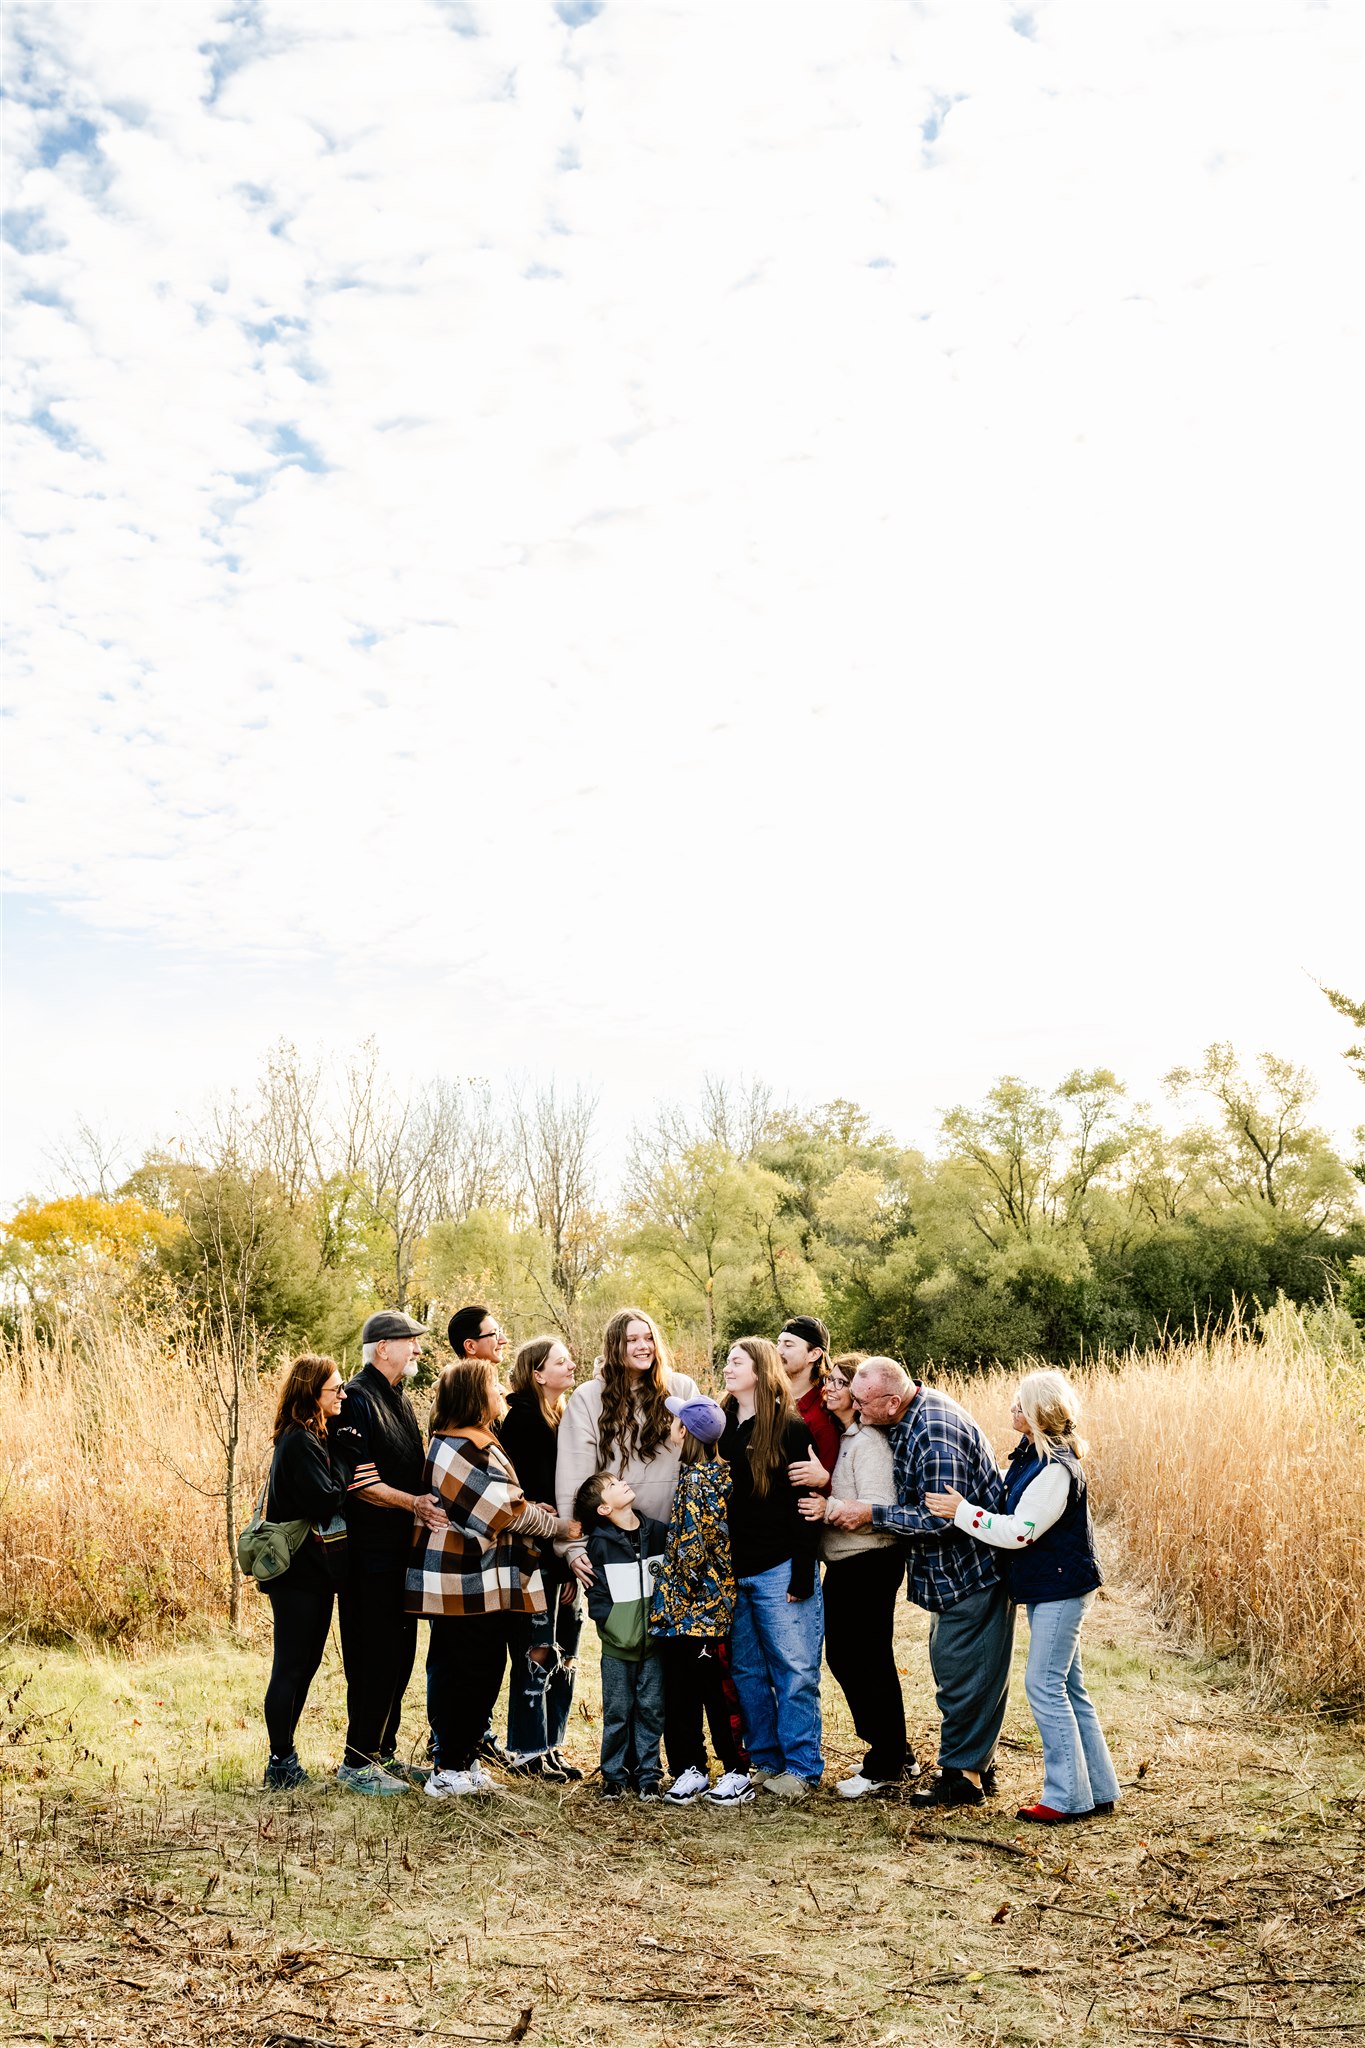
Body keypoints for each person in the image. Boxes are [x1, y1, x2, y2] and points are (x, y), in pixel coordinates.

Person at [926, 1369, 1119, 1825]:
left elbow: (1020, 1533)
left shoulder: (1055, 1470)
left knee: (1044, 1685)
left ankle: (1067, 1798)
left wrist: (963, 1513)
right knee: (1069, 1686)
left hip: (1061, 1590)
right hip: (1049, 1586)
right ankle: (1099, 1786)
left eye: (1019, 1405)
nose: (1011, 1410)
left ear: (1036, 1415)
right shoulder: (1033, 1456)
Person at [826, 1357, 1014, 1810]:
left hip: (971, 1570)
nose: (857, 1407)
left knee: (963, 1673)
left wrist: (872, 1514)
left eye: (864, 1402)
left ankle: (962, 1779)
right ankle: (974, 1768)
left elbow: (940, 1517)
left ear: (892, 1401)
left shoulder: (934, 1433)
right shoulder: (906, 1416)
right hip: (949, 1575)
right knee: (963, 1669)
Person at [407, 1358, 578, 1799]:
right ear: (473, 1397)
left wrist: (531, 1508)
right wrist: (555, 1526)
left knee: (480, 1669)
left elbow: (507, 1503)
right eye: (493, 1385)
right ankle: (449, 1767)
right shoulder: (458, 1446)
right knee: (464, 1670)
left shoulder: (474, 1441)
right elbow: (504, 1510)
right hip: (464, 1581)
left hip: (481, 1582)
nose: (502, 1390)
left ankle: (463, 1759)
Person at [332, 1309, 439, 1796]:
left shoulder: (397, 1396)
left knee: (399, 1654)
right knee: (372, 1654)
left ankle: (385, 1754)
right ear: (382, 1348)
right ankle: (357, 1763)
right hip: (368, 1555)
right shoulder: (355, 1399)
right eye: (409, 1341)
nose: (417, 1349)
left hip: (401, 1553)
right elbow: (361, 1482)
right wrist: (414, 1503)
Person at [797, 1357, 913, 1799]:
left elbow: (879, 1509)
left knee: (865, 1660)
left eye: (841, 1382)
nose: (830, 1388)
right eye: (828, 1380)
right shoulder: (840, 1438)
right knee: (850, 1659)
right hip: (844, 1563)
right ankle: (893, 1750)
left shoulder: (868, 1443)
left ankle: (885, 1762)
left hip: (870, 1560)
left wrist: (825, 1507)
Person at [719, 1337, 824, 1802]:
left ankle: (802, 1768)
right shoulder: (721, 1428)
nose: (727, 1368)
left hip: (780, 1566)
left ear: (760, 1371)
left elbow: (806, 1503)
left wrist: (803, 1570)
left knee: (795, 1670)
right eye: (726, 1361)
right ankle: (764, 1761)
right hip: (734, 1570)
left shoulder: (788, 1428)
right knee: (747, 1672)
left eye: (736, 1362)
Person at [646, 1395, 750, 1807]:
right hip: (693, 1611)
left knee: (705, 1691)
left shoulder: (696, 1482)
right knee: (689, 1689)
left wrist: (673, 1598)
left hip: (695, 1612)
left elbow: (694, 1548)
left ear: (684, 1432)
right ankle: (691, 1769)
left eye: (675, 1422)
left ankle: (735, 1769)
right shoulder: (721, 1474)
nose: (671, 1427)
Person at [555, 1308, 700, 1588]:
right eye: (632, 1340)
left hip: (678, 1534)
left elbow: (703, 1459)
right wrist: (573, 1545)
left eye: (648, 1338)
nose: (643, 1346)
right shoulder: (588, 1397)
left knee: (678, 1630)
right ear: (615, 1346)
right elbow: (575, 1477)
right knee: (626, 1628)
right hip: (617, 1541)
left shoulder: (681, 1387)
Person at [259, 1354, 350, 1790]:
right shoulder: (298, 1441)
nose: (343, 1395)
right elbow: (325, 1500)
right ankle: (280, 1761)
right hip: (296, 1575)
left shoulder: (309, 1438)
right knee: (291, 1666)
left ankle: (285, 1755)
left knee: (306, 1663)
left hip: (311, 1574)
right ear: (312, 1393)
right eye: (335, 1389)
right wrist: (349, 1464)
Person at [498, 1334, 584, 1782]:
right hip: (534, 1557)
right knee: (536, 1650)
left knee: (564, 1651)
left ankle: (551, 1745)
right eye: (561, 1361)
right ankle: (526, 1749)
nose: (571, 1366)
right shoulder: (523, 1422)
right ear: (537, 1374)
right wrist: (559, 1558)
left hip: (564, 1555)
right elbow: (531, 1504)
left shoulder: (563, 1417)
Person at [574, 1470, 669, 1800]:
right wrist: (611, 1625)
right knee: (617, 1711)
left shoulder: (657, 1533)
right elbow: (596, 1594)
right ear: (603, 1509)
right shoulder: (599, 1544)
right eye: (612, 1485)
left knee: (651, 1710)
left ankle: (649, 1776)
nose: (621, 1483)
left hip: (654, 1644)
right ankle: (614, 1776)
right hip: (617, 1648)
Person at [776, 1315, 841, 1484]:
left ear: (814, 1354)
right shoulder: (769, 1398)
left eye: (788, 1345)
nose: (778, 1350)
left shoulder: (824, 1414)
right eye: (779, 1343)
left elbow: (827, 1480)